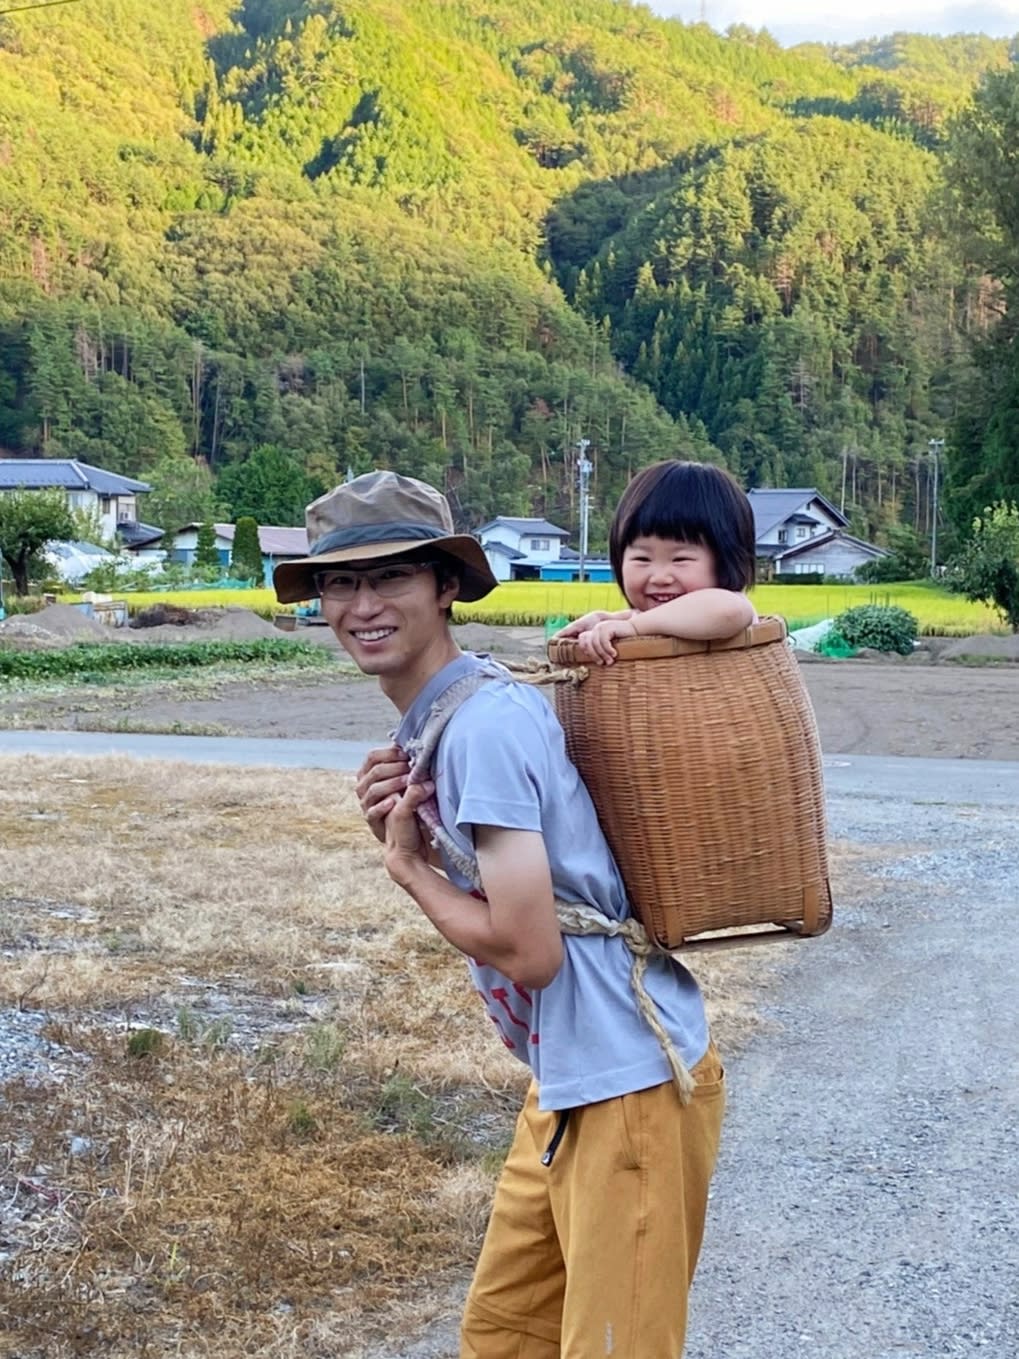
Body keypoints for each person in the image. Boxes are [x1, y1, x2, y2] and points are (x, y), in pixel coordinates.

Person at [273, 469, 731, 1359]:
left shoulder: (480, 725)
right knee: (503, 1338)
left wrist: (409, 868)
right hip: (566, 1078)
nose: (361, 604)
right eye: (340, 582)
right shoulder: (446, 716)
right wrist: (419, 833)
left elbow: (531, 953)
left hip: (626, 1080)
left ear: (446, 586)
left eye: (391, 577)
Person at [555, 458, 757, 663]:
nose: (660, 577)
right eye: (642, 558)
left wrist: (633, 627)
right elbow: (652, 618)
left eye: (680, 559)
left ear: (726, 560)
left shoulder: (731, 606)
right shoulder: (646, 619)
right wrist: (606, 619)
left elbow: (728, 611)